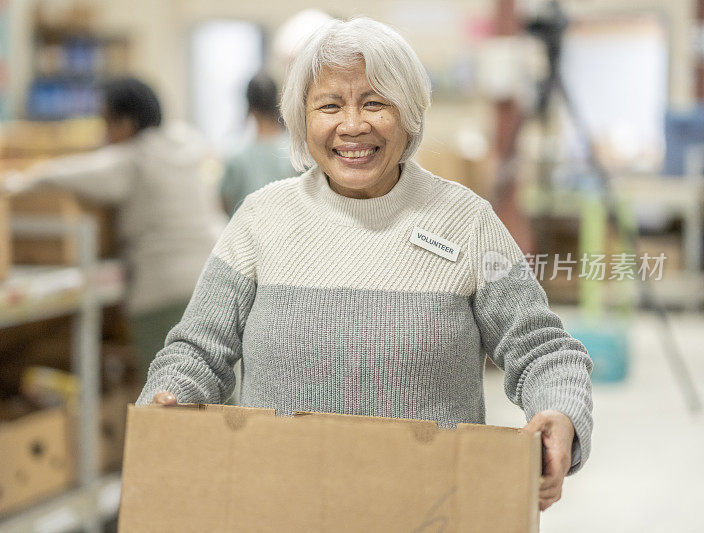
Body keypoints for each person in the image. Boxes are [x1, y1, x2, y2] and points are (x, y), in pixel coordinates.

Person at [137, 18, 593, 512]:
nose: (352, 125)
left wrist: (560, 411)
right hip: (280, 507)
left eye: (375, 102)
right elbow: (199, 347)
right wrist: (169, 395)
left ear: (411, 113)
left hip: (429, 510)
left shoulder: (467, 222)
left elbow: (543, 349)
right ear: (301, 118)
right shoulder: (260, 220)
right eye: (329, 105)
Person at [13, 77, 222, 376]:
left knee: (172, 398)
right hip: (213, 283)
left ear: (126, 123)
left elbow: (64, 175)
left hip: (164, 291)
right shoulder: (189, 145)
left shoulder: (135, 160)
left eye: (106, 122)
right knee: (218, 391)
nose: (104, 134)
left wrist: (15, 183)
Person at [219, 72, 296, 217]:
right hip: (289, 234)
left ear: (249, 105)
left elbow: (225, 203)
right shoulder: (295, 152)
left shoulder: (236, 155)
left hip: (244, 234)